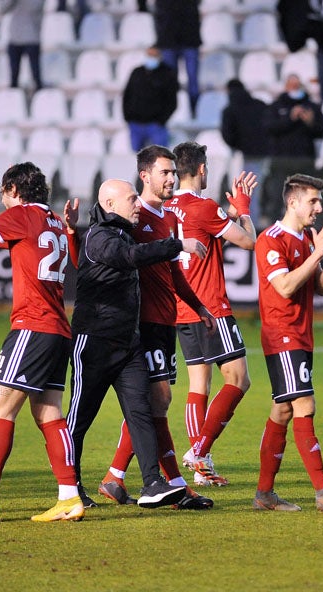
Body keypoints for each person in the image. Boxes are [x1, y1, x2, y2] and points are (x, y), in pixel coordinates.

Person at [0, 163, 86, 522]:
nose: (2, 201)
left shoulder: (21, 215)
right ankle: (69, 497)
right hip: (58, 328)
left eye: (2, 194)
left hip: (31, 326)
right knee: (49, 412)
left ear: (12, 190)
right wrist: (72, 230)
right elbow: (73, 261)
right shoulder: (54, 220)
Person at [66, 178, 205, 511]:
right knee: (78, 420)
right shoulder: (99, 236)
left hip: (127, 345)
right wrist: (177, 245)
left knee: (142, 412)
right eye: (132, 199)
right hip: (94, 343)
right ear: (110, 204)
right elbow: (130, 257)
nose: (138, 204)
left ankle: (152, 483)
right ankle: (69, 487)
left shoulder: (120, 232)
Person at [97, 145, 215, 510]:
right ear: (144, 175)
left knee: (154, 403)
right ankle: (174, 484)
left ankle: (116, 478)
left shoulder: (167, 218)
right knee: (155, 400)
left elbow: (173, 271)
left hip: (166, 321)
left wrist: (197, 305)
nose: (171, 180)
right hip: (143, 322)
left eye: (173, 173)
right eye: (164, 173)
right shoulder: (133, 218)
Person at [254, 174, 323, 512]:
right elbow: (286, 287)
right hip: (282, 334)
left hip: (301, 335)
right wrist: (316, 252)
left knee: (283, 409)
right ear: (293, 202)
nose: (319, 208)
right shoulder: (270, 240)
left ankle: (264, 494)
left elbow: (318, 286)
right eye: (313, 201)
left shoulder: (305, 238)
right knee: (305, 406)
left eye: (319, 201)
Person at [167, 141, 257, 486]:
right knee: (238, 379)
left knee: (199, 384)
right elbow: (249, 241)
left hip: (182, 307)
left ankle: (201, 466)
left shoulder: (168, 207)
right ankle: (199, 451)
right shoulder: (204, 205)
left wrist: (227, 215)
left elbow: (201, 232)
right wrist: (244, 208)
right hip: (211, 306)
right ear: (202, 169)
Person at [263, 74, 323, 223]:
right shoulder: (277, 106)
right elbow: (269, 128)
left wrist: (310, 122)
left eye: (297, 86)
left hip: (304, 163)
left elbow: (322, 131)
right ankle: (275, 229)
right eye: (291, 86)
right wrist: (289, 119)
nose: (294, 89)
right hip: (281, 163)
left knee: (305, 200)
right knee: (277, 199)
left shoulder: (311, 107)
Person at [221, 79, 271, 222]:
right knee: (260, 189)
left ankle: (251, 224)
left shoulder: (230, 109)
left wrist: (239, 145)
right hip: (267, 153)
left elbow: (227, 135)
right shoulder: (260, 105)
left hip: (246, 155)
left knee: (249, 191)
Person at [122, 47, 179, 152]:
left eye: (154, 56)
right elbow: (127, 95)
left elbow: (172, 101)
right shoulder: (137, 72)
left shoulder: (167, 74)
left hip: (155, 125)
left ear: (160, 57)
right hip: (135, 124)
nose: (151, 58)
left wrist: (161, 120)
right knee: (137, 158)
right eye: (149, 55)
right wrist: (128, 117)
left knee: (160, 156)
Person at [153, 0, 202, 113]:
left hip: (189, 40)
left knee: (193, 80)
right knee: (170, 80)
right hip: (169, 41)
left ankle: (195, 111)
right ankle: (171, 111)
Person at [1, 0, 44, 90]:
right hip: (15, 37)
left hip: (32, 37)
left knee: (36, 76)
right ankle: (14, 99)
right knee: (14, 77)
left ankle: (39, 99)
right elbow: (2, 9)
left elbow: (35, 7)